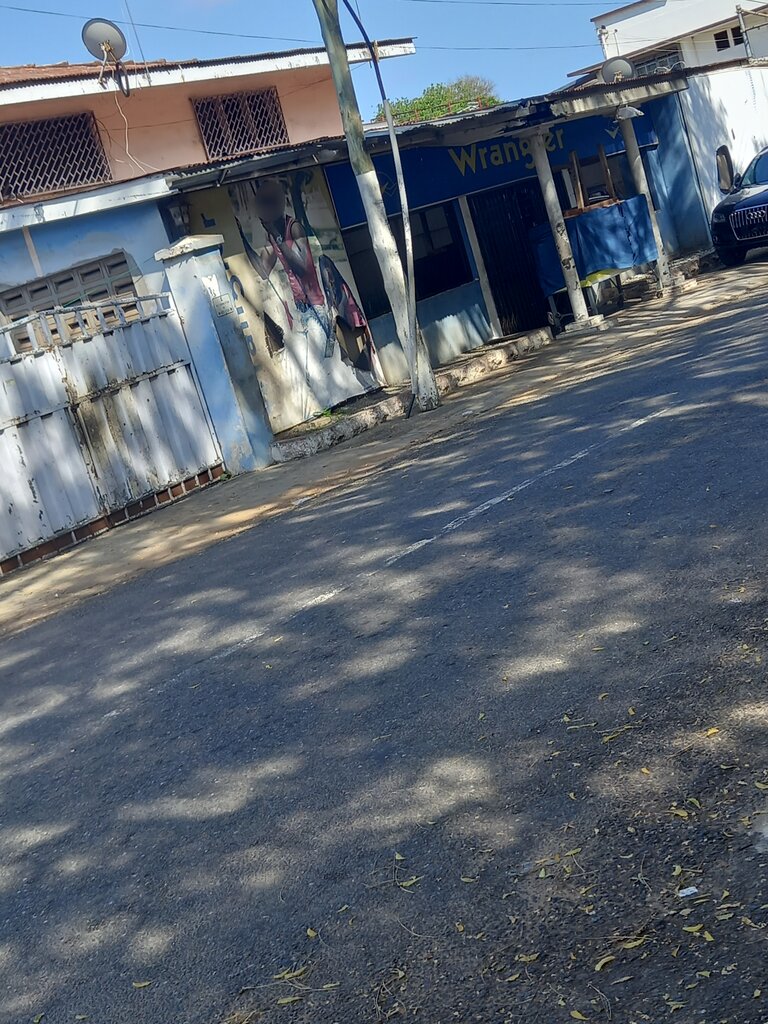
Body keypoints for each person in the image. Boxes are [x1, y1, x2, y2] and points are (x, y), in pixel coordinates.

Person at [234, 177, 334, 356]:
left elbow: (302, 269)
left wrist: (276, 236)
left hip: (315, 306)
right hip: (300, 310)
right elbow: (263, 271)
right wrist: (242, 238)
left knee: (318, 364)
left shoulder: (293, 228)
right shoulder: (272, 237)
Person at [318, 254, 377, 373]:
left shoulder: (341, 288)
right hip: (347, 326)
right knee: (352, 354)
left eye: (329, 273)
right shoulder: (332, 292)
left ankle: (366, 372)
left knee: (359, 352)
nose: (329, 279)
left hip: (353, 323)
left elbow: (345, 308)